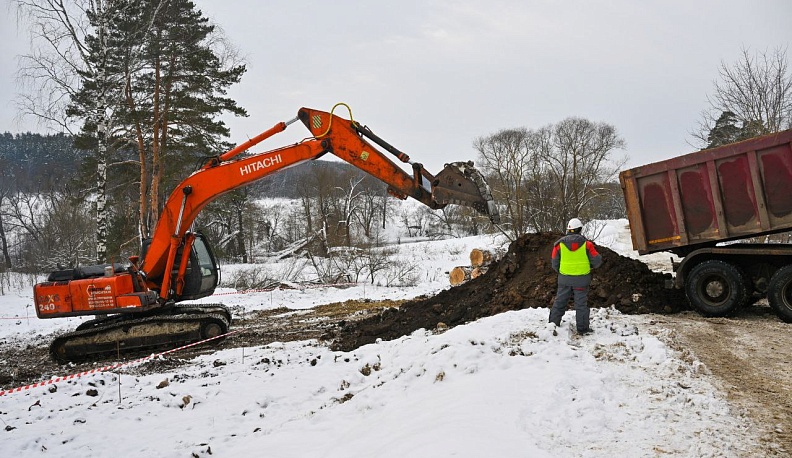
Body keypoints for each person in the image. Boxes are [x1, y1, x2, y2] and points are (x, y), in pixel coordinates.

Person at [549, 218, 603, 334]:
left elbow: (554, 263)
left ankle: (553, 324)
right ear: (580, 229)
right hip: (582, 280)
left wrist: (563, 272)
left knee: (560, 302)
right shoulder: (587, 245)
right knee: (581, 305)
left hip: (564, 280)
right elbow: (597, 261)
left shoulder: (558, 245)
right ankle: (583, 329)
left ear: (568, 230)